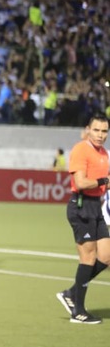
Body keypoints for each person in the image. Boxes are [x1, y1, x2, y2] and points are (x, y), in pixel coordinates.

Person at [55, 115, 110, 324]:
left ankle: (70, 293)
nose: (100, 135)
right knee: (87, 258)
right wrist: (104, 180)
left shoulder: (104, 153)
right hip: (81, 206)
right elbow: (81, 182)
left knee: (106, 256)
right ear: (88, 130)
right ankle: (78, 311)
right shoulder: (81, 149)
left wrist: (107, 182)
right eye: (96, 130)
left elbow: (102, 185)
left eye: (104, 131)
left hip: (96, 207)